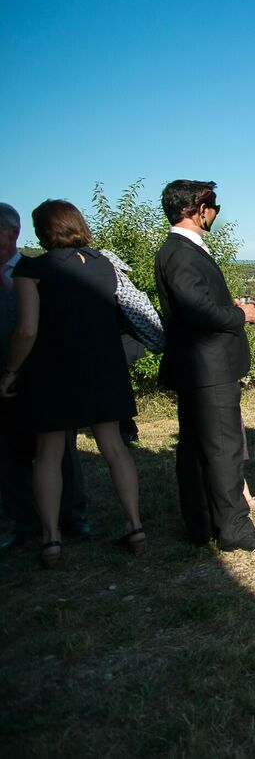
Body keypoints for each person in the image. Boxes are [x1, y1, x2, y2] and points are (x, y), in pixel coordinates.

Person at [1, 201, 145, 567]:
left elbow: (27, 329)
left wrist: (11, 371)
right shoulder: (104, 264)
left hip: (53, 370)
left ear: (43, 230)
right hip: (104, 368)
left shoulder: (33, 269)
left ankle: (51, 539)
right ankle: (134, 526)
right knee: (113, 446)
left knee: (48, 453)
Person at [155, 181, 255, 553]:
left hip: (198, 365)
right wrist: (238, 313)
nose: (215, 212)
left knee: (197, 446)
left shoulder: (176, 251)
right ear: (199, 209)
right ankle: (233, 527)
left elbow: (193, 300)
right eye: (213, 206)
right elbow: (195, 310)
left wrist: (225, 302)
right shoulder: (181, 252)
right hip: (208, 366)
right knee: (223, 447)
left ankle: (201, 522)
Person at [0, 201, 90, 551]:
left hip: (45, 371)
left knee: (59, 447)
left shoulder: (38, 268)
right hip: (4, 372)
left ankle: (71, 514)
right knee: (8, 449)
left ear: (13, 232)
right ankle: (23, 521)